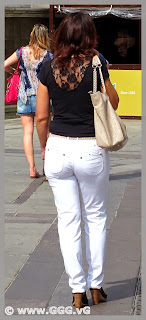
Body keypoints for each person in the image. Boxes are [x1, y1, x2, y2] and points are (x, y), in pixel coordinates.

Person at [36, 12, 119, 309]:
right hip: (90, 149)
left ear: (61, 34)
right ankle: (96, 285)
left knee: (68, 221)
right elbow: (114, 102)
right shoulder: (97, 62)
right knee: (95, 217)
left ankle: (76, 291)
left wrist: (45, 147)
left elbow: (42, 116)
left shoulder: (47, 66)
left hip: (58, 148)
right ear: (89, 35)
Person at [4, 24, 53, 178]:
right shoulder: (48, 56)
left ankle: (32, 169)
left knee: (27, 132)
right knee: (46, 134)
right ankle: (46, 167)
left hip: (24, 96)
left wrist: (14, 72)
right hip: (42, 98)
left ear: (31, 35)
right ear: (45, 37)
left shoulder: (21, 52)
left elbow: (4, 65)